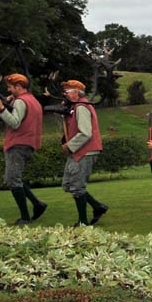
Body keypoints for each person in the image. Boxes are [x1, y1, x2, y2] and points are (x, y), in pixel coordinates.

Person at [0, 73, 47, 225]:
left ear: (18, 87)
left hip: (17, 145)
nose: (8, 90)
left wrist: (1, 109)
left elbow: (14, 123)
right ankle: (37, 204)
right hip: (28, 143)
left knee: (12, 181)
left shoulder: (21, 101)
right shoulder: (32, 100)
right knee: (13, 179)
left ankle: (25, 217)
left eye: (10, 87)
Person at [60, 79, 109, 226]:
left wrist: (69, 145)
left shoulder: (81, 107)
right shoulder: (77, 106)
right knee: (68, 184)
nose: (65, 94)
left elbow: (85, 133)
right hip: (79, 152)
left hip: (84, 152)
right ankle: (98, 207)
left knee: (77, 187)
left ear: (76, 92)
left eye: (67, 91)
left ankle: (83, 221)